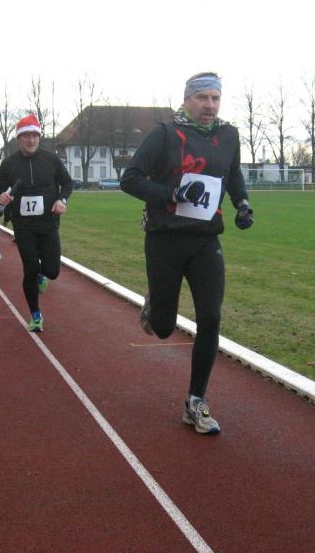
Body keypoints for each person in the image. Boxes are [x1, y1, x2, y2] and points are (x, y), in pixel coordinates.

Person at [120, 72, 254, 435]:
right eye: (202, 98)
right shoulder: (164, 133)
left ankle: (196, 401)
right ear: (187, 99)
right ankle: (155, 304)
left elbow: (233, 174)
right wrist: (171, 194)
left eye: (215, 98)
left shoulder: (229, 135)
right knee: (164, 328)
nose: (209, 105)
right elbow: (130, 179)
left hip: (206, 240)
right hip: (165, 238)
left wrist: (242, 203)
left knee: (210, 317)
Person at [0, 114, 73, 332]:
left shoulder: (50, 159)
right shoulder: (9, 164)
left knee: (52, 271)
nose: (31, 140)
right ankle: (35, 314)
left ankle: (41, 275)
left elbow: (67, 183)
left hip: (48, 223)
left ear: (39, 137)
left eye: (35, 135)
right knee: (29, 268)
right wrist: (0, 197)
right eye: (26, 136)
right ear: (19, 139)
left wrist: (62, 199)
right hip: (23, 225)